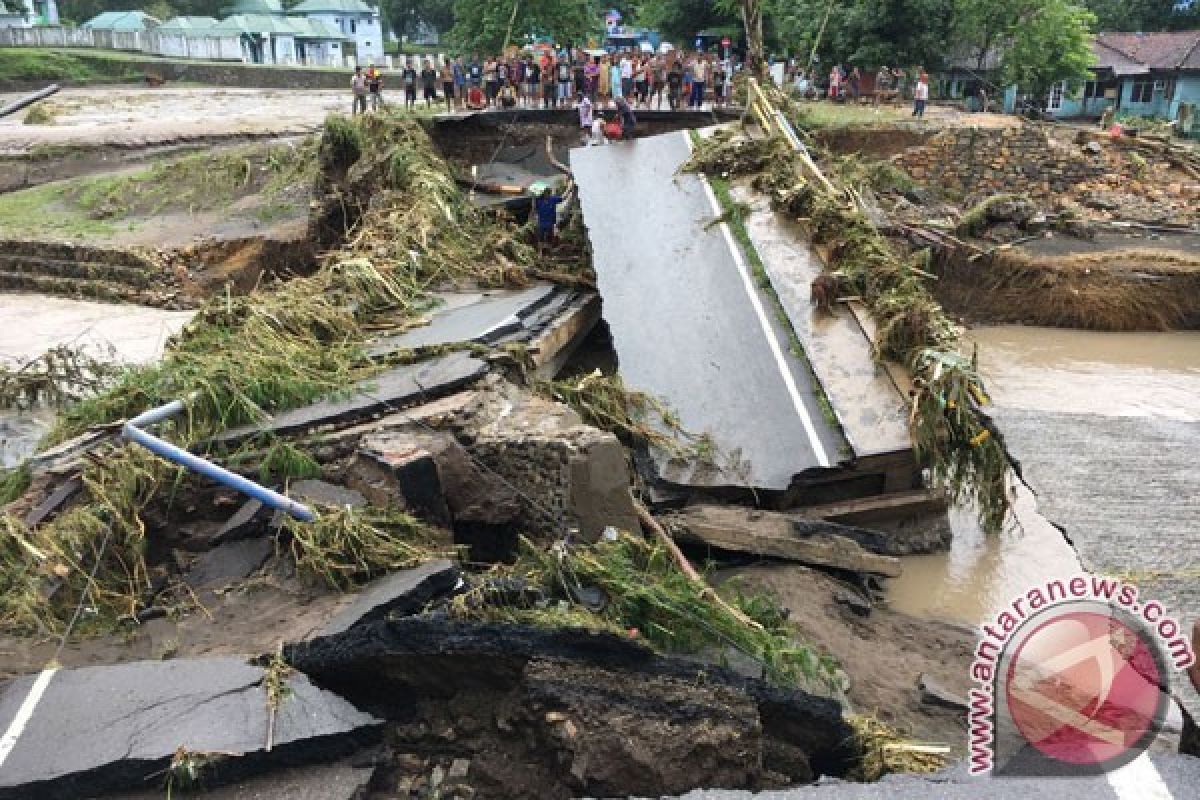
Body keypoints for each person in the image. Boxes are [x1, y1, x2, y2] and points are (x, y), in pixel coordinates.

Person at [534, 186, 563, 255]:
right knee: (541, 238)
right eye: (547, 193)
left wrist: (570, 190)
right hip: (542, 223)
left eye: (549, 193)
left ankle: (548, 252)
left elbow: (562, 198)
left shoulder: (552, 199)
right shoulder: (539, 201)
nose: (548, 194)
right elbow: (534, 208)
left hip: (550, 223)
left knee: (549, 238)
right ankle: (541, 252)